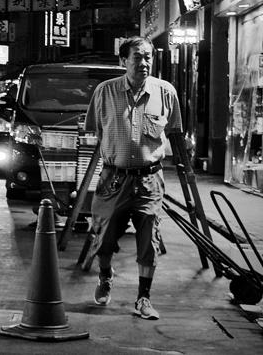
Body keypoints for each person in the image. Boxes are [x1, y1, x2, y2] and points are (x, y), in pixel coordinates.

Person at [84, 36, 183, 321]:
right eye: (138, 57)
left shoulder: (166, 93)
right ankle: (105, 276)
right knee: (102, 238)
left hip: (150, 181)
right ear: (123, 60)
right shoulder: (105, 92)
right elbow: (93, 132)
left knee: (149, 242)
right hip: (113, 179)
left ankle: (143, 298)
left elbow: (174, 134)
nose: (144, 62)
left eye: (148, 57)